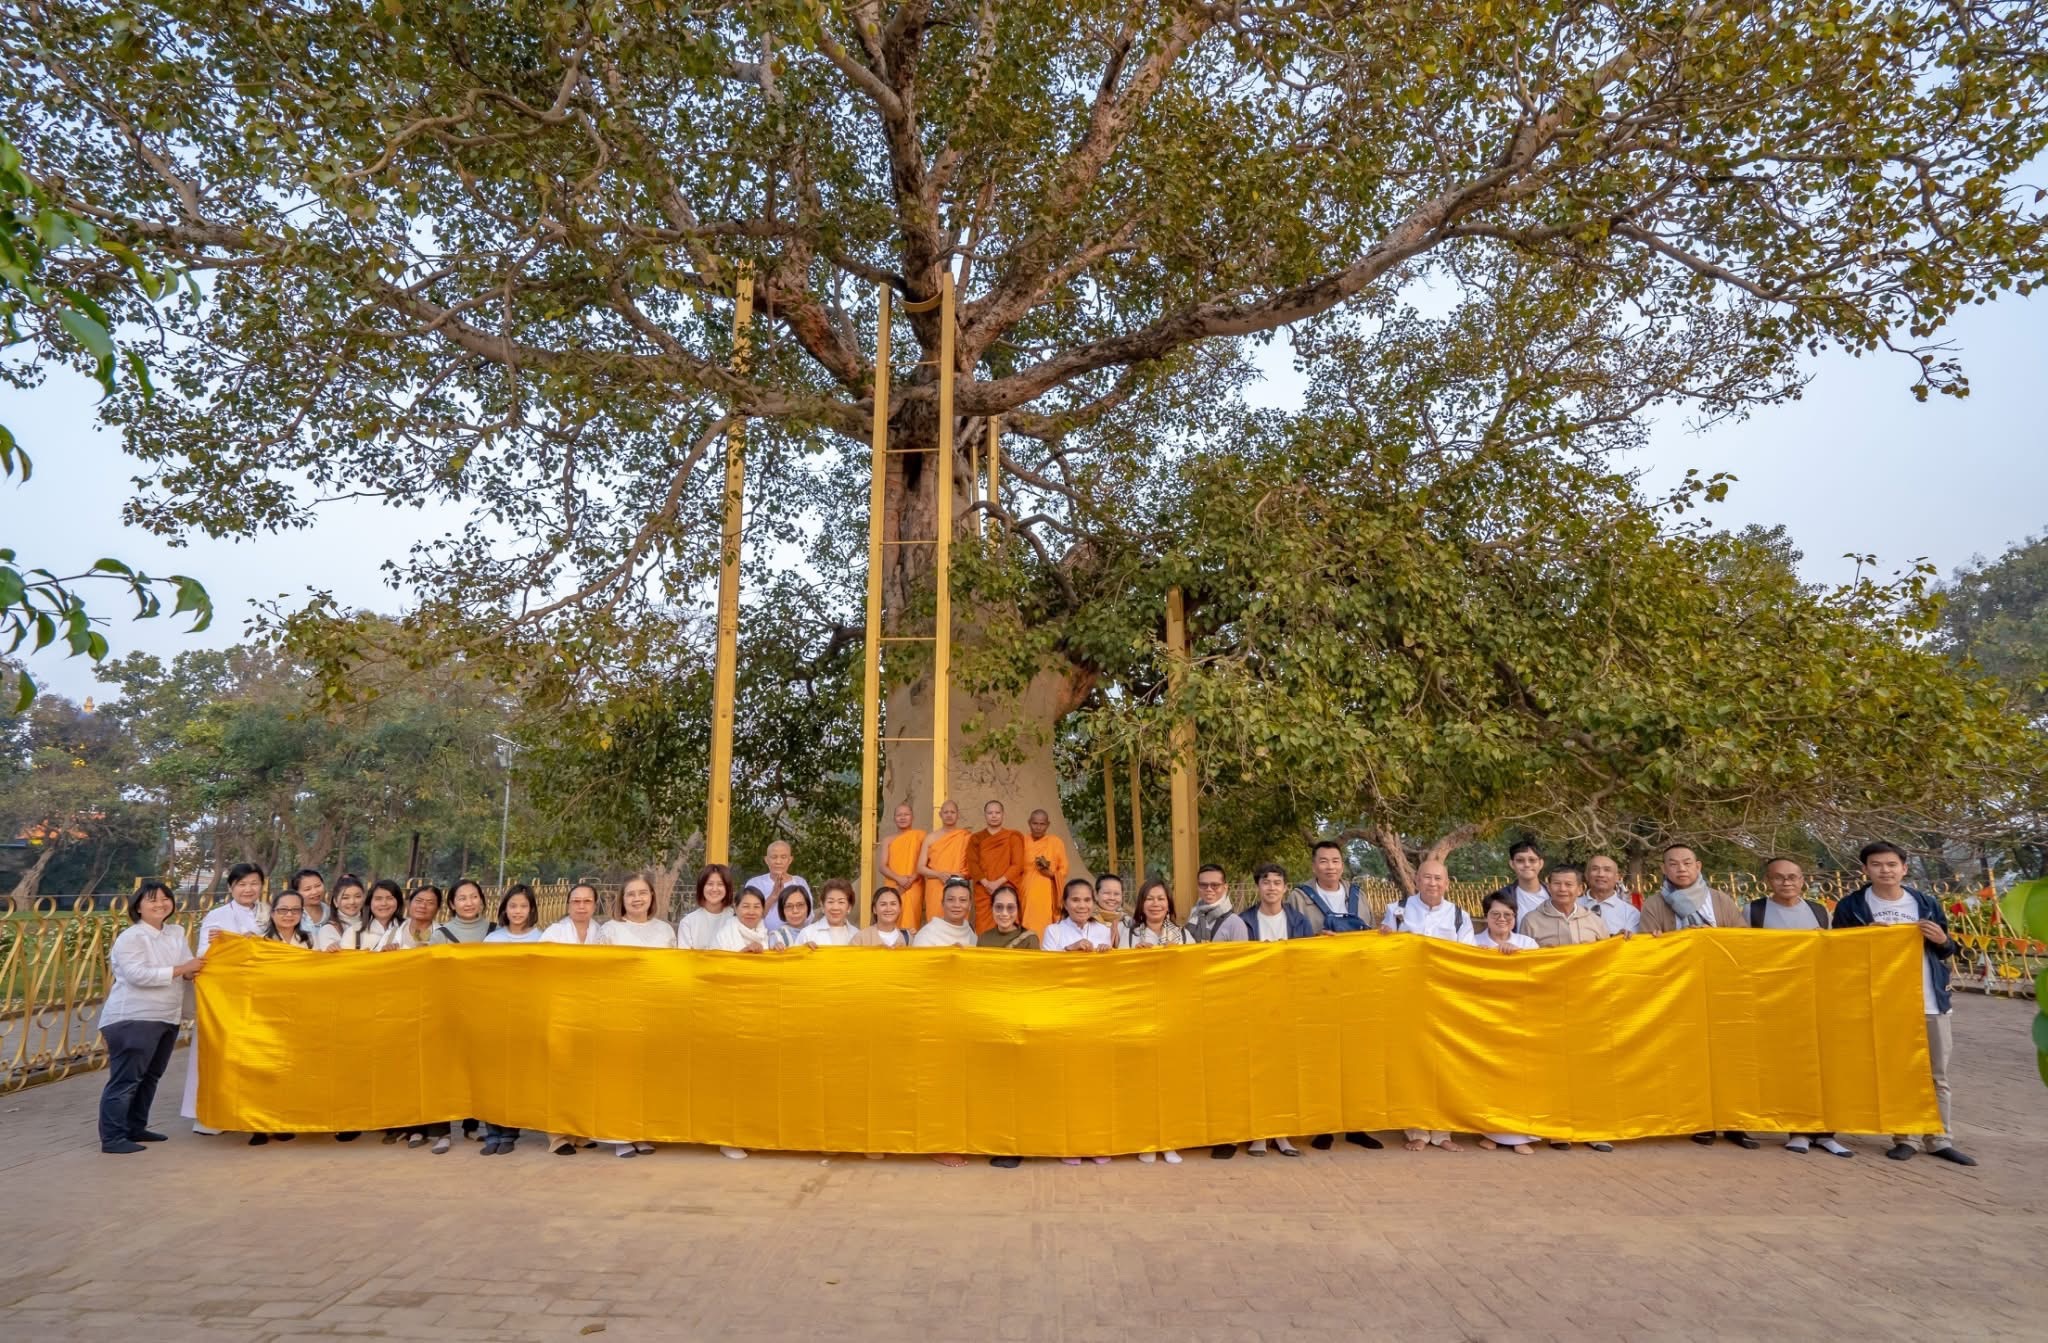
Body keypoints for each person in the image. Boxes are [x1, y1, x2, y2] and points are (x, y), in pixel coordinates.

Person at [1831, 841, 1975, 1166]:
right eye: (1877, 865)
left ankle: (1940, 1139)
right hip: (1883, 1003)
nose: (1885, 870)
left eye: (1892, 864)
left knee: (1936, 1073)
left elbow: (1947, 949)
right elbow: (1836, 954)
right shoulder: (1852, 906)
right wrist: (1863, 938)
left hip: (1929, 1000)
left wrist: (1942, 940)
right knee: (1897, 1071)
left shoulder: (1924, 903)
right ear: (1865, 869)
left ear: (1904, 868)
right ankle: (1904, 1137)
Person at [1748, 857, 1853, 1159]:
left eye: (1793, 877)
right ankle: (1797, 1130)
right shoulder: (1755, 911)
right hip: (1775, 1001)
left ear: (1802, 879)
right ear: (1768, 880)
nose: (1787, 883)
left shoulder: (1819, 911)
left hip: (1816, 998)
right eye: (1779, 878)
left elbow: (1835, 952)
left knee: (1824, 1067)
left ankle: (1827, 1132)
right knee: (1790, 1068)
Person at [96, 881, 203, 1154]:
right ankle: (112, 1137)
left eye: (165, 899)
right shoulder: (131, 938)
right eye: (152, 900)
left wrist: (195, 969)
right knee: (126, 1079)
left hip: (167, 1016)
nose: (160, 904)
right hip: (133, 1017)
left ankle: (135, 1127)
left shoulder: (175, 933)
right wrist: (182, 969)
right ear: (138, 907)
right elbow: (137, 975)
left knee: (150, 1076)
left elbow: (188, 968)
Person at [181, 861, 266, 1136]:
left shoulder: (269, 914)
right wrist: (242, 941)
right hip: (225, 999)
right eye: (242, 884)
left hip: (259, 996)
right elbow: (208, 955)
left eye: (254, 883)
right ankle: (206, 1115)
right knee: (218, 1052)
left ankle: (247, 1112)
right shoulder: (218, 917)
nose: (248, 889)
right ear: (231, 887)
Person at [1234, 863, 1312, 1158]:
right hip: (1254, 1003)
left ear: (1285, 888)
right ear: (1258, 887)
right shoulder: (1244, 921)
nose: (1271, 888)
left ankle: (1282, 1134)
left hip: (1288, 1002)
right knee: (1256, 1069)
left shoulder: (1299, 922)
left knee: (1285, 1071)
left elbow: (1307, 958)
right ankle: (1257, 1134)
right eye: (1266, 882)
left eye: (1277, 882)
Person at [533, 882, 602, 1157]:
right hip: (560, 1007)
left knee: (585, 1072)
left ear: (594, 905)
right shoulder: (555, 932)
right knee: (559, 1071)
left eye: (587, 901)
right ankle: (557, 1135)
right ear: (568, 904)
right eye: (576, 901)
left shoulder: (602, 933)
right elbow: (540, 967)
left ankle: (580, 1131)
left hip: (591, 1009)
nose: (582, 906)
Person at [1639, 842, 1742, 934]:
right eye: (1673, 864)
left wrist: (1713, 934)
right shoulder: (1653, 905)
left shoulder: (1721, 900)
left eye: (1687, 863)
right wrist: (1681, 937)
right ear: (1664, 869)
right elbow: (1648, 947)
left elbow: (1743, 937)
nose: (1682, 869)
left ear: (1698, 867)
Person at [1287, 840, 1374, 934]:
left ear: (1342, 866)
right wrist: (1316, 939)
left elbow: (1373, 932)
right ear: (1313, 867)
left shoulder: (1358, 895)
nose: (1331, 867)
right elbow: (1289, 937)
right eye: (1323, 861)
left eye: (1335, 861)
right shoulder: (1299, 898)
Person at [965, 800, 1027, 932]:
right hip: (984, 890)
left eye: (997, 812)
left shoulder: (1012, 837)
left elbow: (1017, 865)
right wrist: (986, 883)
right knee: (984, 928)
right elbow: (972, 863)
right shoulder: (976, 838)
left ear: (1003, 814)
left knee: (1008, 923)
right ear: (985, 815)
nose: (994, 816)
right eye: (990, 813)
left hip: (1006, 888)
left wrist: (997, 883)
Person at [1379, 858, 1472, 942]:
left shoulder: (1460, 917)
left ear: (1447, 884)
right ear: (1417, 881)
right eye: (1427, 877)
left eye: (1438, 878)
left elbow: (1468, 953)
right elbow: (1386, 947)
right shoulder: (1395, 910)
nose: (1432, 883)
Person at [1520, 865, 1608, 947]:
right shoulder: (1531, 921)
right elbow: (1523, 958)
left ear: (1580, 889)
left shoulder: (1594, 920)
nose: (1562, 889)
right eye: (1557, 884)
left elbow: (1607, 953)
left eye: (1568, 884)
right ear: (1549, 888)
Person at [915, 800, 971, 926]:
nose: (949, 815)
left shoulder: (965, 837)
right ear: (940, 814)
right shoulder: (931, 838)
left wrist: (961, 875)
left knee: (958, 924)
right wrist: (939, 874)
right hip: (936, 886)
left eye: (952, 812)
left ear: (958, 814)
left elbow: (971, 867)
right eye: (946, 812)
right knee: (936, 924)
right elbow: (920, 868)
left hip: (958, 886)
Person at [877, 803, 929, 928]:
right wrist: (899, 879)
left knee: (910, 923)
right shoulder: (888, 840)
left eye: (906, 814)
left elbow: (926, 861)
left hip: (914, 885)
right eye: (899, 815)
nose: (903, 817)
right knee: (890, 918)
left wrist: (913, 878)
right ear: (894, 818)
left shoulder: (920, 836)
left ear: (912, 817)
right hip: (893, 884)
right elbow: (882, 866)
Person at [1019, 808, 1069, 935]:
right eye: (1035, 823)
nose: (1038, 827)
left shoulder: (1056, 842)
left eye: (1042, 824)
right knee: (1024, 924)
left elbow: (1064, 869)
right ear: (1029, 823)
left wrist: (1051, 874)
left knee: (1044, 926)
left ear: (1048, 825)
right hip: (1025, 891)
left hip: (1046, 893)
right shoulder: (1021, 841)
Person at [750, 841, 812, 935]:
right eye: (774, 857)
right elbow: (750, 916)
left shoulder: (799, 882)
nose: (778, 862)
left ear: (790, 860)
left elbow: (809, 915)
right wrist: (773, 897)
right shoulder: (755, 883)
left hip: (795, 939)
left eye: (783, 857)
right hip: (762, 940)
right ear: (766, 860)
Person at [601, 872, 677, 949]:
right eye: (631, 894)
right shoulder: (609, 930)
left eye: (643, 893)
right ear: (622, 898)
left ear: (652, 895)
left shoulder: (666, 930)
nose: (637, 899)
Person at [1042, 879, 1114, 953]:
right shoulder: (1053, 931)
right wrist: (1070, 948)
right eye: (1075, 900)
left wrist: (1106, 952)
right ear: (1065, 904)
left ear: (1093, 903)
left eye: (1087, 900)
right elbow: (1047, 962)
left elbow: (1109, 963)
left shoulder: (1103, 930)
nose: (1082, 906)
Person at [1581, 855, 1641, 936]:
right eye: (1595, 869)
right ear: (1586, 875)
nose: (1601, 874)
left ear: (1617, 877)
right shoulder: (1572, 906)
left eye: (1607, 870)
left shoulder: (1631, 913)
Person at [679, 864, 736, 950]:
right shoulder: (688, 922)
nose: (714, 889)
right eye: (710, 884)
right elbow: (684, 958)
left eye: (720, 884)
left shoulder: (736, 918)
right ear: (701, 887)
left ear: (727, 889)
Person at [1494, 839, 1551, 923]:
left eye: (1532, 860)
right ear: (1512, 864)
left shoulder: (1554, 893)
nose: (1527, 865)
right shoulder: (1503, 896)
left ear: (1541, 863)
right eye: (1520, 860)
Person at [1186, 865, 1247, 942]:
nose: (1209, 889)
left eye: (1215, 885)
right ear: (1198, 887)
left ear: (1225, 888)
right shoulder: (1193, 916)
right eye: (1203, 885)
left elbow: (1242, 953)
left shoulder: (1235, 924)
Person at [913, 878, 978, 947]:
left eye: (963, 900)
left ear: (970, 905)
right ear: (943, 903)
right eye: (950, 899)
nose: (956, 905)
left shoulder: (971, 932)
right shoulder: (927, 934)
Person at [798, 878, 861, 946]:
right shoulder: (807, 934)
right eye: (830, 902)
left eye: (841, 902)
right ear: (822, 905)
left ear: (849, 907)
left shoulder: (858, 935)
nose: (835, 907)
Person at [711, 887, 776, 953]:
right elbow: (714, 961)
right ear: (736, 908)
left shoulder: (766, 935)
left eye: (756, 907)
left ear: (762, 909)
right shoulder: (723, 936)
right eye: (746, 906)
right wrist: (744, 952)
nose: (751, 912)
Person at [1128, 878, 1189, 947]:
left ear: (1169, 906)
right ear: (1141, 905)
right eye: (1149, 899)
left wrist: (1176, 953)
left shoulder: (1183, 935)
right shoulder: (1129, 935)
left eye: (1161, 899)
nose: (1155, 904)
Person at [314, 875, 367, 951]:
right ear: (335, 902)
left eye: (357, 896)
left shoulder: (372, 923)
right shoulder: (328, 930)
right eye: (345, 898)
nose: (352, 902)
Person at [357, 879, 405, 951]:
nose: (384, 903)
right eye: (378, 899)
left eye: (390, 898)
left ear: (398, 902)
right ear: (369, 902)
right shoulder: (354, 932)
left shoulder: (408, 928)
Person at [440, 878, 493, 943]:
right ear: (452, 904)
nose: (469, 903)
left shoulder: (496, 931)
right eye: (462, 898)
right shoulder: (441, 935)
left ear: (481, 900)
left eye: (474, 897)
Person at [392, 885, 445, 950]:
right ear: (409, 903)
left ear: (438, 908)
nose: (423, 906)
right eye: (418, 901)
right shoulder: (393, 929)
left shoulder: (444, 936)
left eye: (430, 903)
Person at [1091, 873, 1130, 948]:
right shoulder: (1087, 921)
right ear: (1096, 895)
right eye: (1107, 893)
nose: (1112, 898)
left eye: (1116, 894)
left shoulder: (1129, 923)